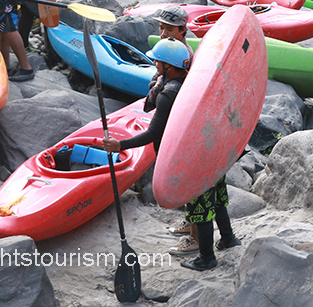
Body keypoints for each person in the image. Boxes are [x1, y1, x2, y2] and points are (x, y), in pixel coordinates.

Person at [102, 38, 239, 272]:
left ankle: (207, 258)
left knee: (200, 205)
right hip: (212, 147)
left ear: (167, 65)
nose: (154, 63)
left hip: (192, 155)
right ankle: (227, 238)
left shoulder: (168, 94)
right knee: (217, 198)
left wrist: (120, 145)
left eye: (157, 61)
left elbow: (153, 133)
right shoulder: (194, 80)